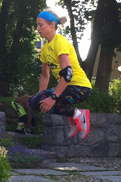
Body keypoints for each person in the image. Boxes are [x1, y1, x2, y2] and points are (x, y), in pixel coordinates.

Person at [28, 9, 92, 139]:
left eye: (41, 25)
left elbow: (67, 73)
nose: (38, 29)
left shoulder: (60, 42)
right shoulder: (45, 49)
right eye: (37, 25)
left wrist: (53, 97)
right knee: (36, 102)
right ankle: (74, 117)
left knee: (35, 101)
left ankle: (78, 115)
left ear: (52, 25)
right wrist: (41, 98)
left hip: (80, 88)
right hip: (68, 88)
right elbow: (45, 76)